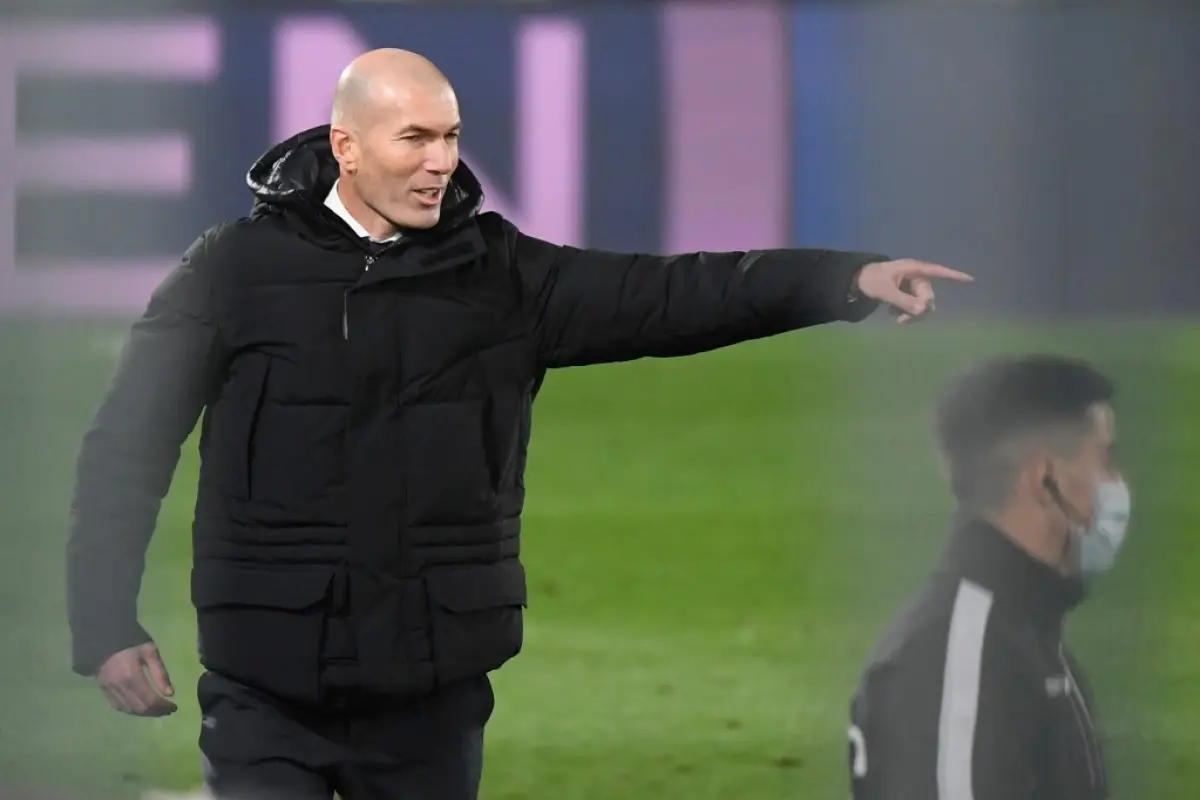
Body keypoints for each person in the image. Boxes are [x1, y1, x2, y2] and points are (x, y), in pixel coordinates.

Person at [67, 48, 972, 799]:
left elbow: (675, 295)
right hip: (267, 691)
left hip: (432, 699)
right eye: (413, 138)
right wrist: (103, 621)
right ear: (345, 146)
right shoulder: (232, 271)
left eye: (451, 138)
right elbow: (126, 446)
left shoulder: (502, 278)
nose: (439, 162)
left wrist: (845, 281)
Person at [848, 355, 1129, 800]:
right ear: (1045, 479)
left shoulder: (1023, 633)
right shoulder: (962, 656)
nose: (1116, 484)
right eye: (1105, 459)